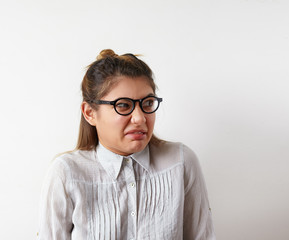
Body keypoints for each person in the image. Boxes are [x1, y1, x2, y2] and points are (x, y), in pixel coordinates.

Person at [37, 49, 215, 239]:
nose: (139, 118)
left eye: (147, 103)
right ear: (89, 113)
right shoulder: (67, 173)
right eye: (123, 105)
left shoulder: (180, 162)